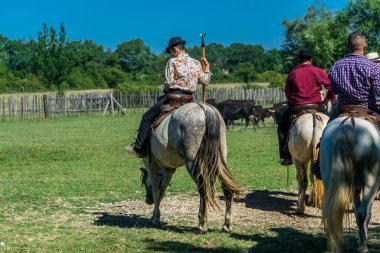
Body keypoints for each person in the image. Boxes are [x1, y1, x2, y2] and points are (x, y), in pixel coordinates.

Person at [125, 36, 211, 158]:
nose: (171, 54)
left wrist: (166, 88)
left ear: (175, 50)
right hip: (189, 99)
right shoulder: (196, 63)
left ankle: (139, 148)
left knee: (146, 118)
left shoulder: (172, 62)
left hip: (173, 97)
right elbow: (205, 82)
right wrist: (207, 69)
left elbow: (168, 82)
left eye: (171, 52)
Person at [311, 32, 380, 179]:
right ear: (365, 47)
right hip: (367, 110)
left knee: (325, 137)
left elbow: (334, 90)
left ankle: (318, 166)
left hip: (342, 110)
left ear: (348, 46)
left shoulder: (336, 65)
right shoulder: (373, 67)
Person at [277, 49, 335, 166]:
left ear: (299, 60)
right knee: (332, 125)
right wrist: (328, 99)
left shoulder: (293, 73)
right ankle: (335, 152)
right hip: (316, 106)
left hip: (297, 107)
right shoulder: (318, 71)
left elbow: (288, 92)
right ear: (310, 59)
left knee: (282, 129)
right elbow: (331, 87)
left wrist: (293, 102)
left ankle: (286, 156)